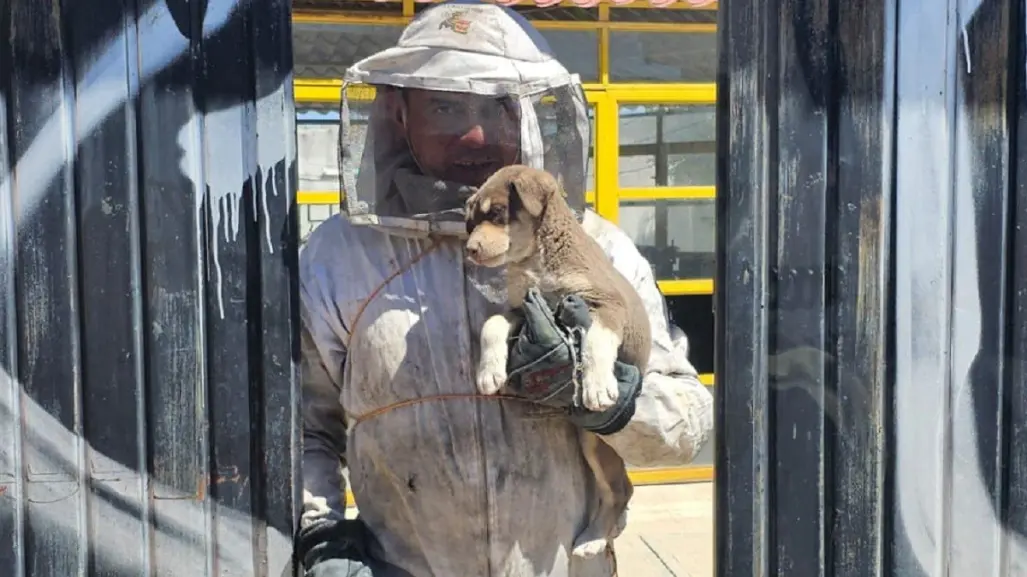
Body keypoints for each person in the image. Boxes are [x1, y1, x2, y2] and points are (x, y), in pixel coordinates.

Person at [295, 1, 714, 575]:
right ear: (398, 112)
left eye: (497, 108)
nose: (477, 134)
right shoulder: (340, 257)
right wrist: (320, 533)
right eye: (445, 107)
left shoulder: (599, 248)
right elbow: (305, 429)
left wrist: (610, 398)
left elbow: (686, 425)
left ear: (530, 115)